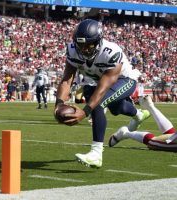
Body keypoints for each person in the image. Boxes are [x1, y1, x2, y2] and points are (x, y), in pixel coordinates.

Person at [54, 19, 150, 168]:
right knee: (116, 109)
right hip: (95, 80)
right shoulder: (72, 49)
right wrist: (58, 104)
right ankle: (138, 114)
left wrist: (85, 112)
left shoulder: (111, 52)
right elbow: (67, 79)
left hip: (124, 80)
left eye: (89, 45)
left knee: (98, 103)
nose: (84, 49)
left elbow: (104, 86)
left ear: (98, 41)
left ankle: (96, 153)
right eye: (81, 45)